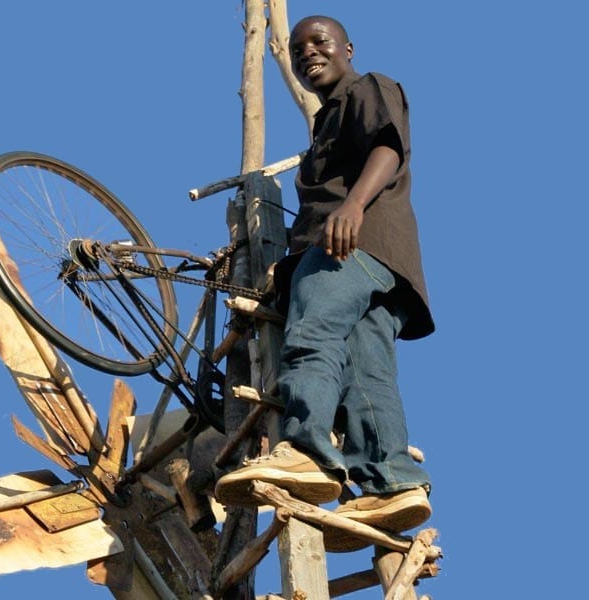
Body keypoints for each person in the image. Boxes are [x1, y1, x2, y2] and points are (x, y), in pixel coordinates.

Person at [215, 15, 435, 552]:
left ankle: (306, 450)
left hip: (351, 246)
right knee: (366, 369)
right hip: (383, 264)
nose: (307, 52)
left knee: (311, 335)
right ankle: (391, 480)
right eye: (296, 50)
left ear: (347, 48)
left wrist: (353, 207)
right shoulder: (326, 123)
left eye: (319, 42)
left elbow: (389, 147)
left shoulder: (369, 88)